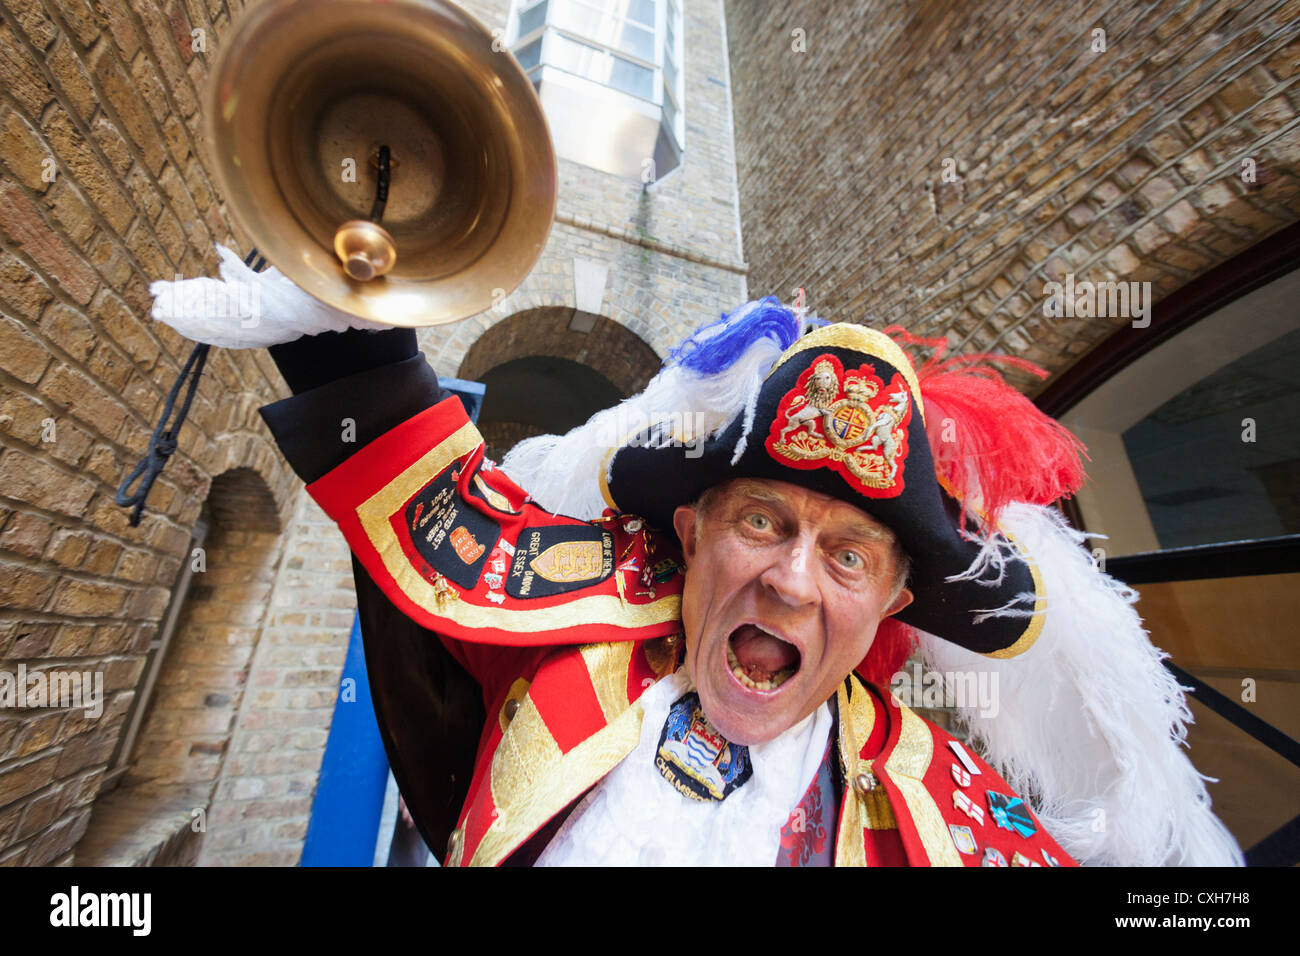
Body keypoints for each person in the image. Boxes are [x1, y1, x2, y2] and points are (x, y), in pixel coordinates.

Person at [151, 253, 1245, 867]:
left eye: (849, 554)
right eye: (762, 520)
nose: (791, 580)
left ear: (892, 606)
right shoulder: (571, 636)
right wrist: (350, 335)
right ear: (689, 532)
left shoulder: (947, 804)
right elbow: (449, 515)